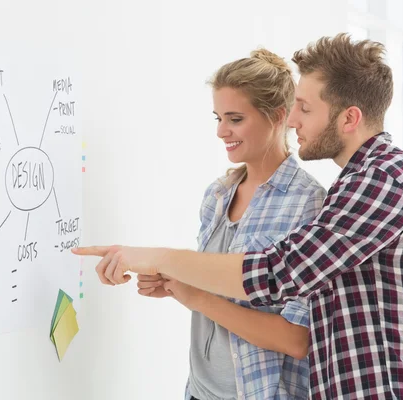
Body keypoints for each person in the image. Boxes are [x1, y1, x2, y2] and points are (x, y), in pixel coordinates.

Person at [73, 33, 403, 399]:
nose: (295, 121)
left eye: (305, 108)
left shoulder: (379, 182)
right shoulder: (356, 182)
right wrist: (177, 281)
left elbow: (281, 274)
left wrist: (158, 261)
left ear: (349, 119)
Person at [134, 49, 326, 400]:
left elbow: (295, 339)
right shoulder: (218, 195)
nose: (222, 131)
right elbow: (219, 290)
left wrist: (196, 296)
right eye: (218, 118)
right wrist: (174, 283)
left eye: (235, 119)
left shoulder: (307, 203)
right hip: (200, 392)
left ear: (278, 116)